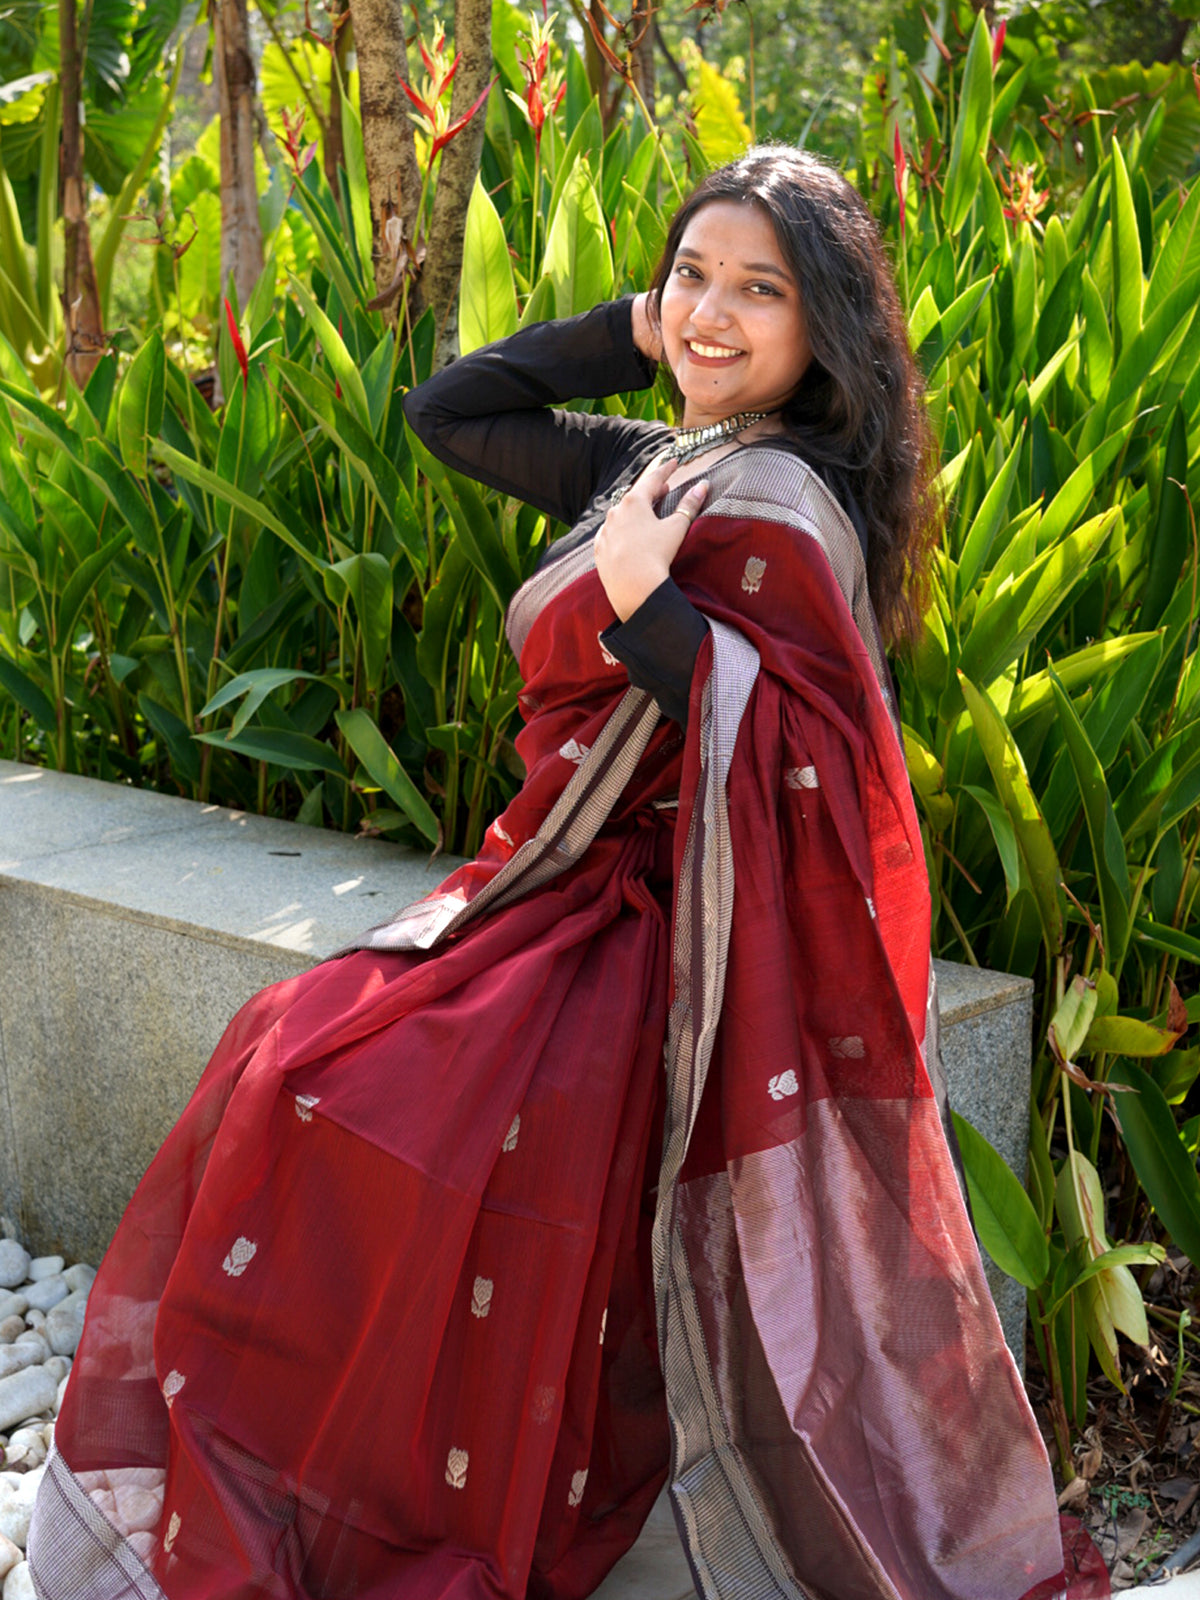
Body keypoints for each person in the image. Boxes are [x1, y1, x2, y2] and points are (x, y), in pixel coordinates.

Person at [27, 147, 1105, 1600]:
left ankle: (458, 1505)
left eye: (760, 291)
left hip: (681, 933)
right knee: (288, 1058)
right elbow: (448, 408)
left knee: (384, 1092)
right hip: (546, 885)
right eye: (694, 278)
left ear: (824, 330)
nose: (716, 314)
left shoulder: (792, 502)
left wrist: (646, 604)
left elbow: (803, 755)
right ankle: (337, 1475)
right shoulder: (649, 461)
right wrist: (630, 328)